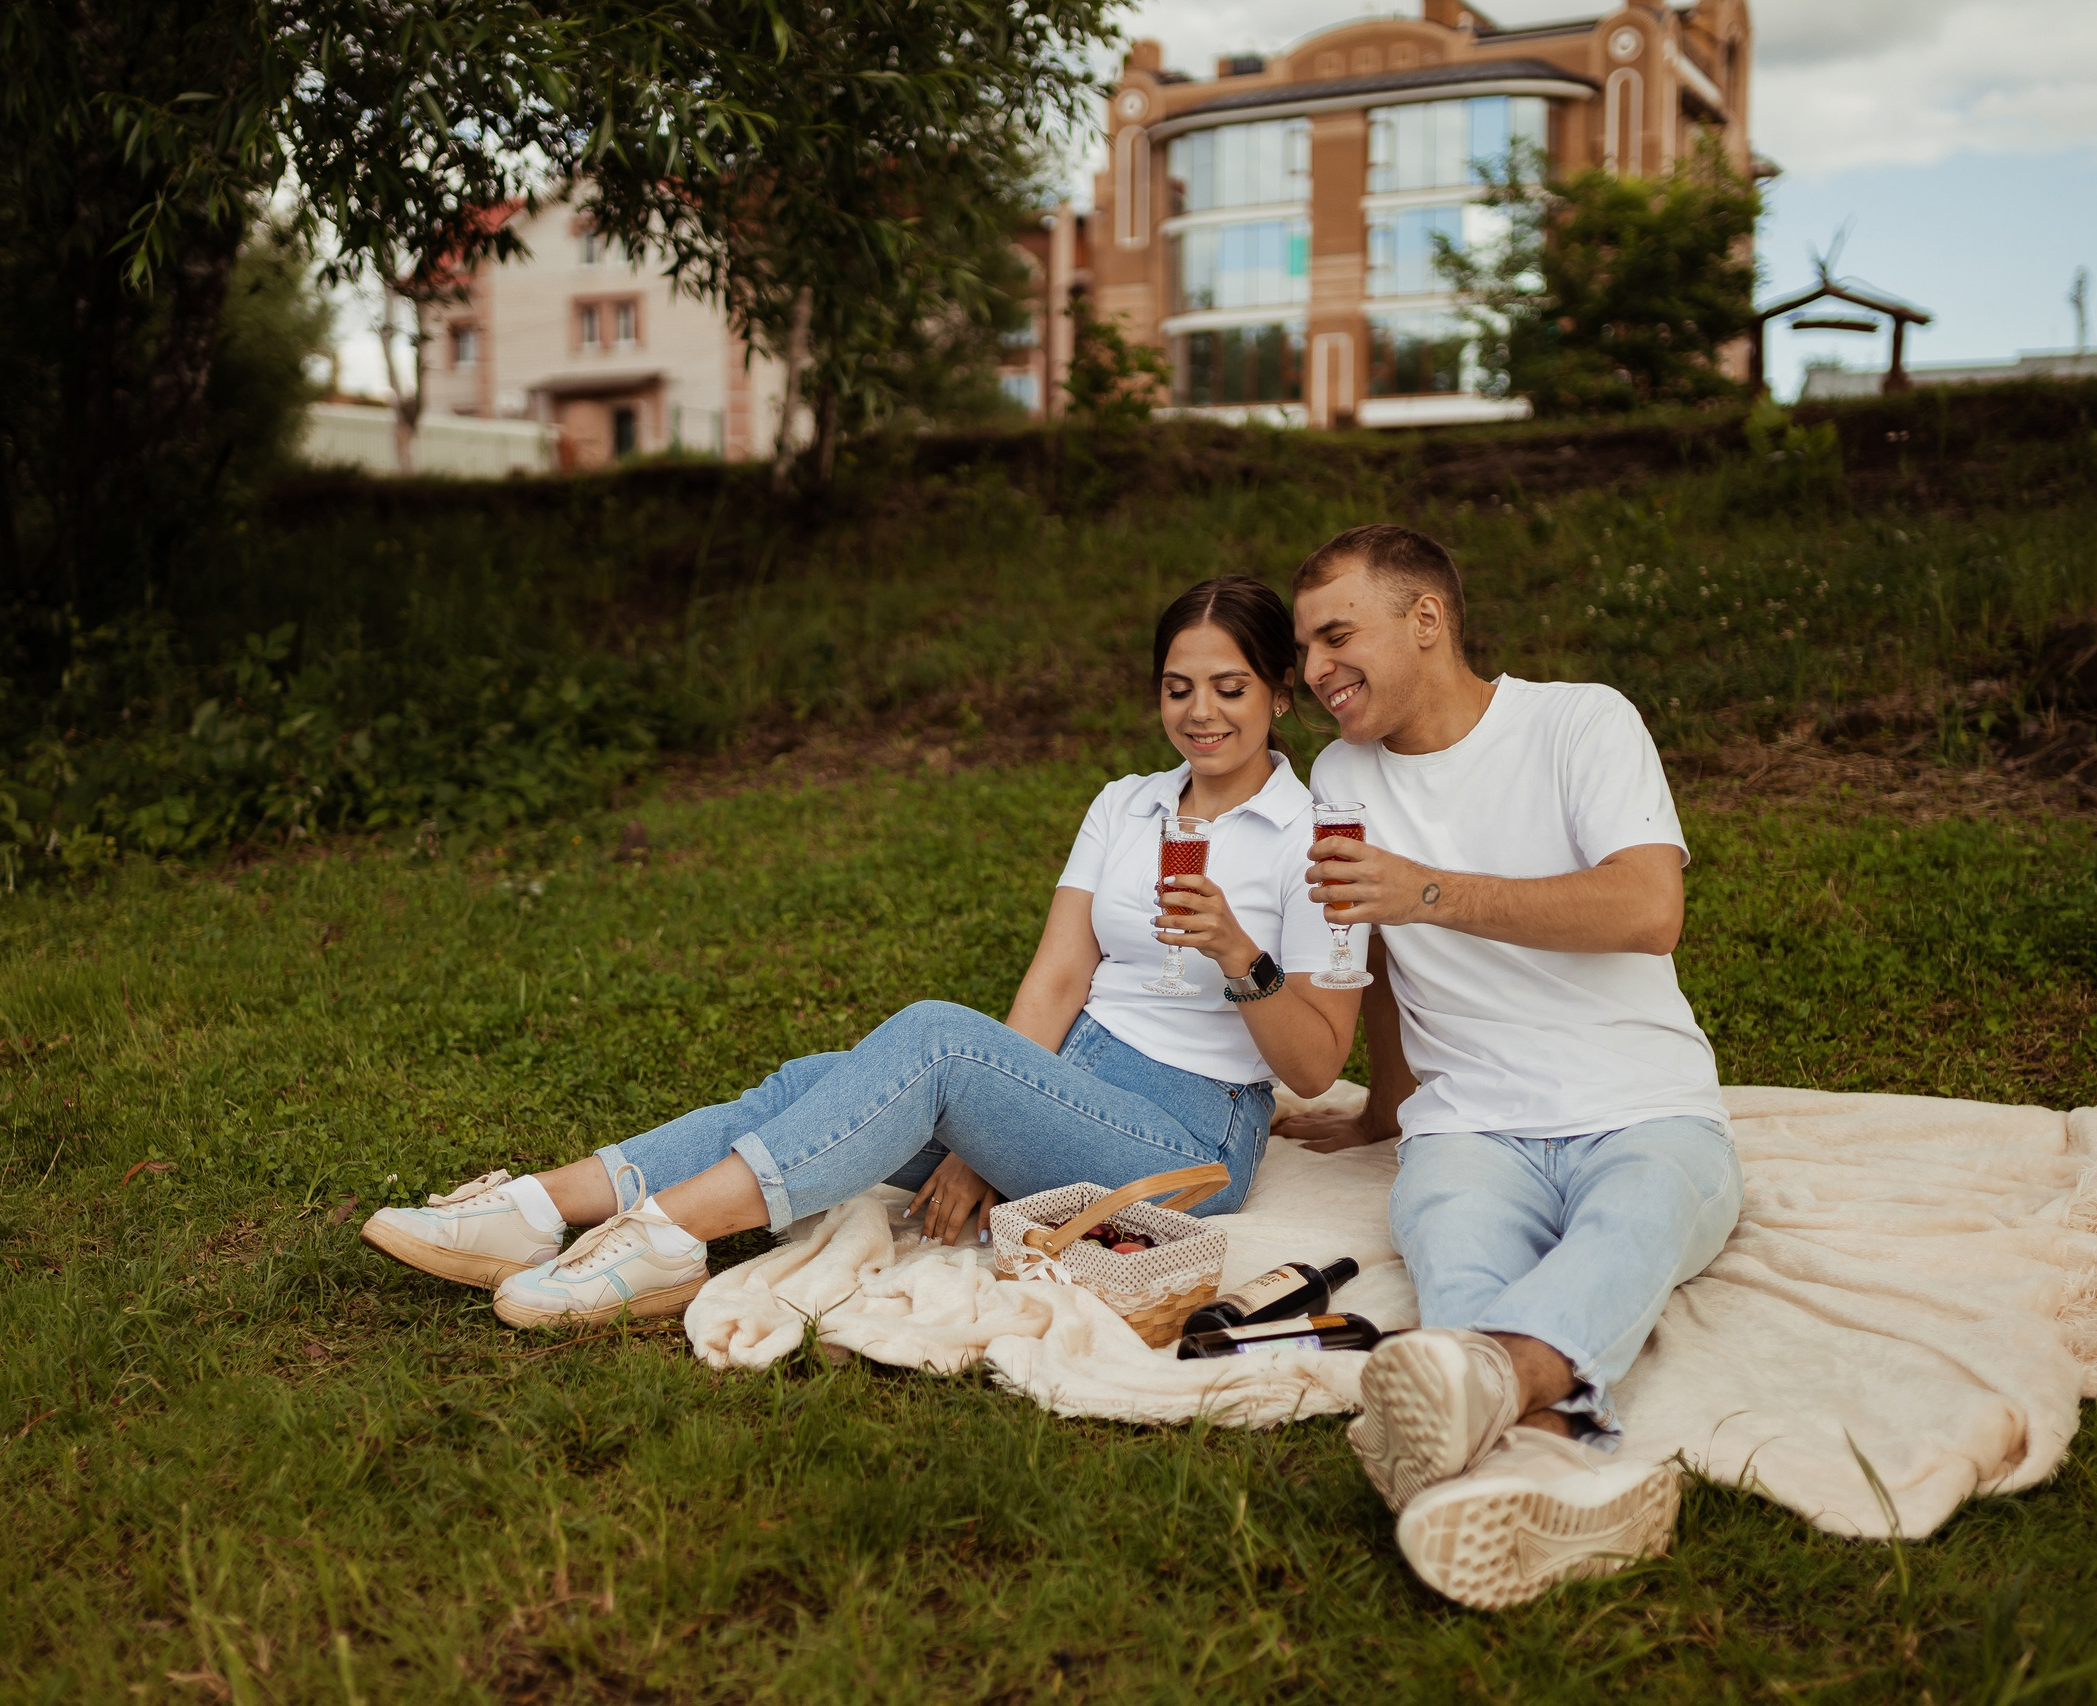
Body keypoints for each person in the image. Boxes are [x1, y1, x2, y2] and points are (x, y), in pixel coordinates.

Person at [362, 576, 1363, 1329]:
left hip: (1187, 1132)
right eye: (1177, 686)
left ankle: (663, 1237)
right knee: (813, 1081)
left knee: (932, 1040)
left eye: (1229, 686)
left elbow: (1316, 1064)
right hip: (1070, 1076)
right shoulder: (1126, 803)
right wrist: (985, 1130)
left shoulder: (1315, 837)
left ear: (1279, 692)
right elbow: (1057, 977)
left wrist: (1242, 953)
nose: (1200, 711)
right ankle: (539, 1206)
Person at [1282, 522, 1741, 1610]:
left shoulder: (1579, 720)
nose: (1311, 673)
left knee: (1631, 1226)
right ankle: (1550, 1469)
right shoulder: (1338, 769)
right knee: (1453, 1253)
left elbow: (1646, 907)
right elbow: (1379, 958)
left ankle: (1487, 1391)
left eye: (1336, 636)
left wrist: (1426, 887)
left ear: (1426, 619)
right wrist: (1380, 1110)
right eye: (1303, 650)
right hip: (1467, 1128)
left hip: (1641, 1104)